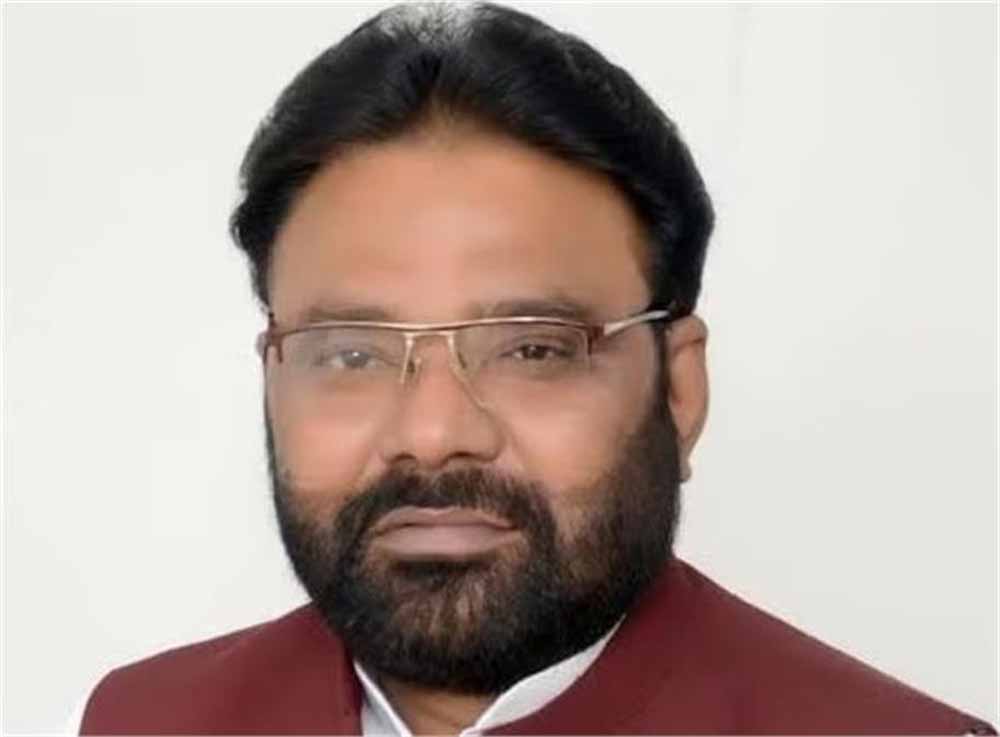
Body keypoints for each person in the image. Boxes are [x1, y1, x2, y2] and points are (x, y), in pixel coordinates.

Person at [76, 3, 994, 735]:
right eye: (351, 353)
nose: (432, 433)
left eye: (533, 349)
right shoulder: (147, 719)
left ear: (680, 390)